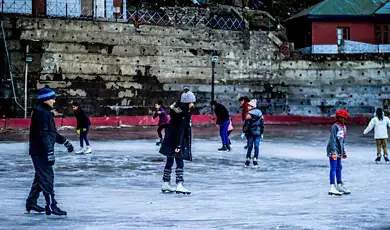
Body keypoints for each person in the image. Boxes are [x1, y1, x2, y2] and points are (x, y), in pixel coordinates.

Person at [26, 88, 74, 215]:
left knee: (40, 177)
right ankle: (51, 205)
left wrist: (65, 142)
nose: (54, 100)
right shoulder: (41, 113)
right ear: (46, 99)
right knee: (47, 177)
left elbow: (51, 133)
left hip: (40, 150)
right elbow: (44, 135)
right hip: (40, 151)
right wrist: (49, 152)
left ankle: (31, 202)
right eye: (52, 98)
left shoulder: (45, 112)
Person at [159, 90, 196, 194]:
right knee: (179, 161)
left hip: (170, 139)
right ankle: (179, 184)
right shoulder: (183, 114)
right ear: (187, 102)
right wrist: (178, 145)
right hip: (176, 142)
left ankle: (165, 183)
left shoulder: (177, 112)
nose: (193, 104)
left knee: (170, 161)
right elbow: (180, 130)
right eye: (192, 102)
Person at [326, 109, 351, 196]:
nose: (342, 119)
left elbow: (342, 141)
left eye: (343, 118)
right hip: (333, 151)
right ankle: (332, 186)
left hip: (339, 151)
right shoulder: (335, 127)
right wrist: (333, 152)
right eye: (340, 117)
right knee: (333, 167)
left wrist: (343, 151)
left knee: (339, 167)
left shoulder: (344, 128)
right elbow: (332, 140)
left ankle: (339, 185)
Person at [241, 99, 264, 167]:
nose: (248, 107)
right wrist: (262, 133)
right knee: (256, 146)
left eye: (249, 106)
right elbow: (262, 124)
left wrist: (244, 132)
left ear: (252, 106)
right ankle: (255, 159)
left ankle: (248, 159)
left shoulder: (249, 114)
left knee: (250, 146)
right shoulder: (260, 113)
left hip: (251, 133)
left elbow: (247, 125)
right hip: (258, 133)